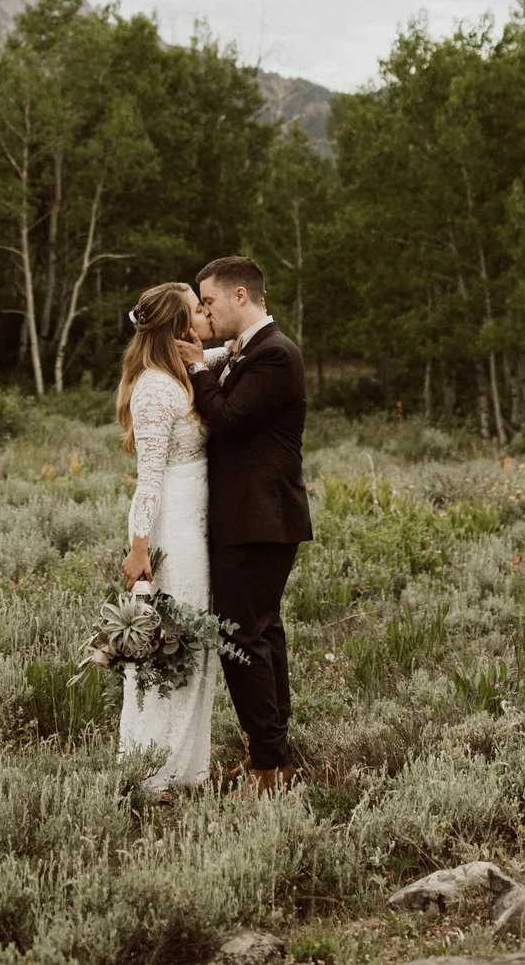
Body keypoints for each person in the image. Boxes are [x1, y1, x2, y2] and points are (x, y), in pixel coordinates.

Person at [175, 254, 311, 791]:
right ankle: (273, 753)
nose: (204, 310)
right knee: (262, 631)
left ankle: (270, 764)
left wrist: (195, 368)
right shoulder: (250, 351)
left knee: (241, 635)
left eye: (208, 301)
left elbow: (227, 417)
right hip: (255, 517)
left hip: (259, 518)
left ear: (239, 296)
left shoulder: (276, 355)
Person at [113, 281, 214, 798]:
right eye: (198, 311)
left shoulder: (179, 374)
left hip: (196, 526)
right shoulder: (155, 388)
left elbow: (225, 348)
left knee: (196, 645)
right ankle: (155, 772)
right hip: (173, 528)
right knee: (173, 646)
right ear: (179, 329)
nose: (206, 317)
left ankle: (189, 767)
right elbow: (148, 478)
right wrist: (139, 548)